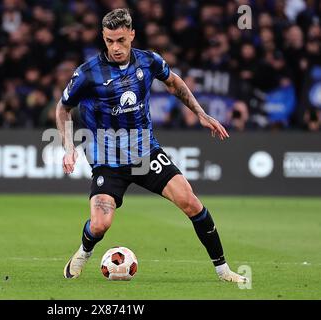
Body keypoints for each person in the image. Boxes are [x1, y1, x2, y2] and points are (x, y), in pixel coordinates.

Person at [56, 8, 248, 283]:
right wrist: (69, 146)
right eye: (109, 41)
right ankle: (84, 251)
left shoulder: (148, 61)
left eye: (121, 40)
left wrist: (201, 114)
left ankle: (223, 270)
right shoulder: (88, 73)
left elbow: (174, 83)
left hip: (145, 153)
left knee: (190, 202)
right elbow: (62, 108)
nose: (116, 47)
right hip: (107, 160)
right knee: (100, 225)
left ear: (132, 35)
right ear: (103, 38)